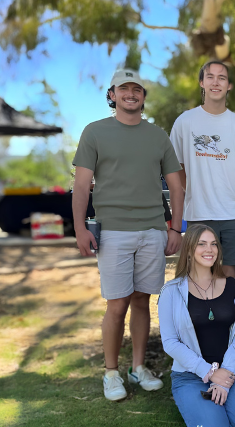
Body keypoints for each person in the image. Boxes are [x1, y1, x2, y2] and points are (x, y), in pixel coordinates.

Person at [72, 68, 184, 402]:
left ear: (143, 97)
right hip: (114, 231)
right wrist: (79, 227)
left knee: (141, 301)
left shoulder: (158, 136)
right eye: (124, 89)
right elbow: (80, 186)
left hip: (152, 230)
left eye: (137, 89)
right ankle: (110, 373)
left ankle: (138, 367)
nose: (131, 94)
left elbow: (177, 186)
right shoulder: (94, 132)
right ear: (112, 95)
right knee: (117, 304)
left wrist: (175, 227)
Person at [158, 224, 235, 427]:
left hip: (230, 372)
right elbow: (169, 342)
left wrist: (224, 375)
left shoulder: (233, 286)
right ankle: (203, 414)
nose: (210, 249)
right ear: (189, 250)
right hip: (190, 374)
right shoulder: (171, 291)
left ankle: (218, 406)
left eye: (214, 244)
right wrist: (209, 373)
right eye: (202, 244)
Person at [169, 60, 235, 278]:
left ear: (229, 86)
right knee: (201, 275)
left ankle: (232, 313)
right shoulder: (184, 122)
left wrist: (229, 188)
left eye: (222, 77)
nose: (216, 82)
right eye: (210, 76)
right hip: (199, 212)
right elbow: (176, 165)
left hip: (233, 213)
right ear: (201, 83)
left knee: (230, 276)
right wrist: (192, 187)